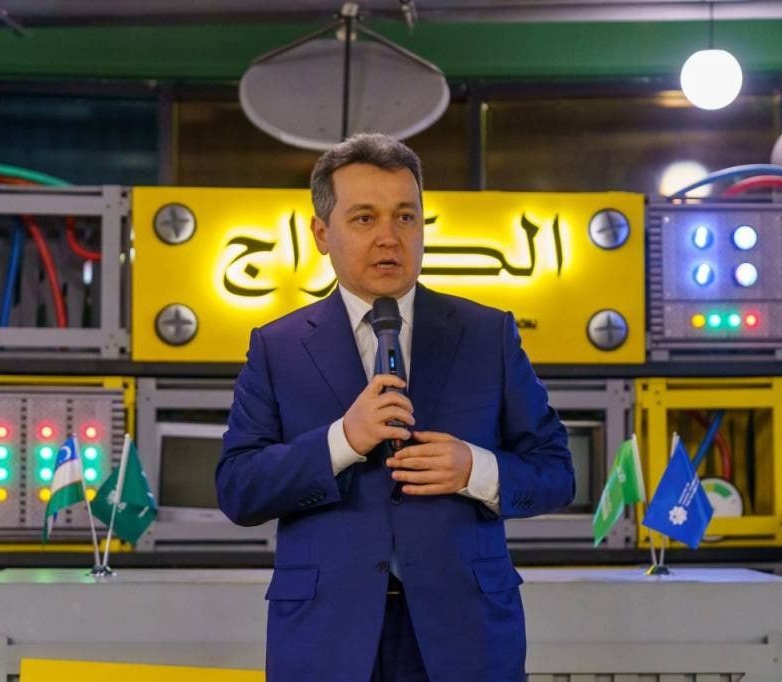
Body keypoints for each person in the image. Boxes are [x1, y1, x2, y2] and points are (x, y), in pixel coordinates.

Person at [217, 133, 574, 682]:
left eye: (406, 217)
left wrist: (475, 469)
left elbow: (556, 472)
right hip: (326, 637)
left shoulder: (488, 335)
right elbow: (239, 488)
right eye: (364, 218)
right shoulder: (277, 347)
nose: (389, 237)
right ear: (321, 233)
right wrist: (341, 441)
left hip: (465, 636)